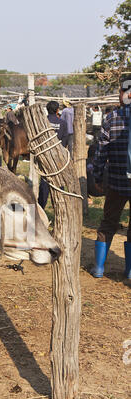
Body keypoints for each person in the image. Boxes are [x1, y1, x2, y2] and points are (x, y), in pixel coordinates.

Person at [91, 76, 131, 279]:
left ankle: (98, 268)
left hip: (116, 182)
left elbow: (100, 153)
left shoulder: (111, 118)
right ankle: (130, 271)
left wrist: (97, 176)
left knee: (108, 223)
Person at [38, 101, 69, 209]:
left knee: (44, 184)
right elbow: (65, 141)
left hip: (44, 156)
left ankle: (40, 211)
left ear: (46, 109)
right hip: (58, 158)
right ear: (57, 110)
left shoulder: (41, 122)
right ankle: (61, 209)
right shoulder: (63, 123)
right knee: (59, 183)